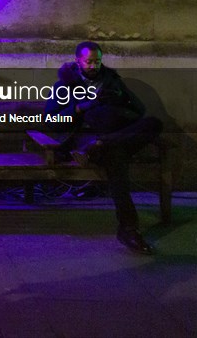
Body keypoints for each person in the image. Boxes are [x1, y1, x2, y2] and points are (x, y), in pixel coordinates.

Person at [46, 41, 163, 255]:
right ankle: (129, 230)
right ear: (78, 61)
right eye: (88, 61)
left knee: (154, 123)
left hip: (113, 138)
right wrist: (81, 107)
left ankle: (100, 145)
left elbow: (139, 111)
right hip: (86, 140)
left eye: (97, 62)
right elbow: (51, 121)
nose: (93, 66)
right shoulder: (65, 85)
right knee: (115, 157)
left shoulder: (112, 81)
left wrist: (121, 99)